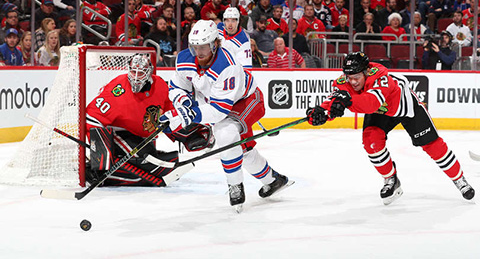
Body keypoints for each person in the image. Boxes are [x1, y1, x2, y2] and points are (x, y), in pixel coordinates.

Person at [306, 51, 475, 205]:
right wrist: (320, 113)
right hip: (381, 112)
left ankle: (459, 179)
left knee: (433, 145)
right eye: (349, 77)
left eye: (356, 76)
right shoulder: (346, 81)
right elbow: (334, 100)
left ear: (365, 72)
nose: (353, 81)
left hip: (405, 107)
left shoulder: (380, 76)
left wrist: (347, 101)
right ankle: (391, 180)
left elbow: (371, 103)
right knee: (371, 142)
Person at [160, 20, 292, 212]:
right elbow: (177, 86)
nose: (199, 51)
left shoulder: (226, 65)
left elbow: (218, 112)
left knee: (225, 133)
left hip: (248, 101)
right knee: (242, 150)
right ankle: (273, 180)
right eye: (195, 46)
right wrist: (183, 103)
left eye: (204, 46)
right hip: (219, 104)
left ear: (215, 43)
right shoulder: (184, 58)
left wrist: (188, 116)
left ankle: (235, 186)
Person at [85, 54, 190, 187]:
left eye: (140, 72)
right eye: (133, 71)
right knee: (151, 165)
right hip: (118, 133)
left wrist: (186, 135)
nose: (136, 77)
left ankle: (119, 174)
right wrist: (101, 156)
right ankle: (96, 173)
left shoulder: (161, 85)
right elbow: (91, 116)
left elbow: (168, 116)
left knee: (163, 164)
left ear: (149, 72)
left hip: (141, 136)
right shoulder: (117, 89)